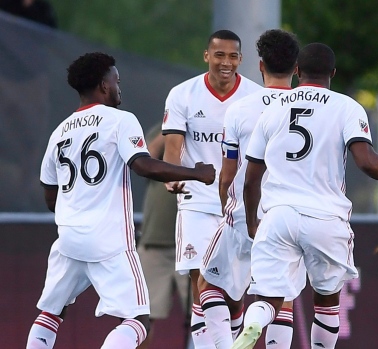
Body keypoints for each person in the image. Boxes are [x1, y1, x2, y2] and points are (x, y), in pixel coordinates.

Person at [231, 43, 378, 349]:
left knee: (270, 298)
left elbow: (250, 178)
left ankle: (255, 320)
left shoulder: (272, 112)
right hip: (325, 218)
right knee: (326, 302)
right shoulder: (346, 107)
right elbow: (367, 161)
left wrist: (254, 221)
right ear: (332, 74)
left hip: (278, 215)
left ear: (297, 72)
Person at [28, 52, 216, 349]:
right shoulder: (120, 120)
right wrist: (196, 172)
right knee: (138, 321)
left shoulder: (59, 132)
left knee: (51, 313)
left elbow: (51, 196)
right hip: (109, 241)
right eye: (117, 80)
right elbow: (143, 165)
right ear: (104, 85)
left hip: (68, 239)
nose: (119, 87)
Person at [197, 29, 305, 349]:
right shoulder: (309, 110)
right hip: (288, 217)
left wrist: (225, 211)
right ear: (296, 68)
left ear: (260, 66)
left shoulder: (240, 109)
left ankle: (222, 344)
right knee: (280, 300)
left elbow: (228, 173)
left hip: (244, 215)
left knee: (208, 287)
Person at [162, 29, 262, 348]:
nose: (226, 63)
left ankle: (229, 337)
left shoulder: (255, 97)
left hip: (240, 206)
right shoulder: (183, 94)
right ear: (207, 56)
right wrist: (173, 174)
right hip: (197, 202)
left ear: (241, 60)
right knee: (200, 280)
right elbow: (172, 148)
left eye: (232, 56)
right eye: (219, 55)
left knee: (233, 295)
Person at [136, 123, 190, 349]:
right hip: (154, 242)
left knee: (205, 315)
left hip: (193, 243)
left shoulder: (213, 125)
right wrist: (171, 129)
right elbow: (144, 159)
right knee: (141, 316)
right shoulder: (161, 128)